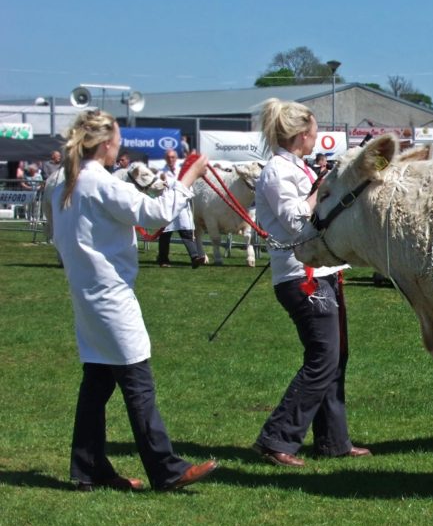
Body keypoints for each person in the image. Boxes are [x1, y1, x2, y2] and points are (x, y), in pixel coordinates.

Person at [51, 109, 217, 492]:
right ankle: (166, 468)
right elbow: (157, 215)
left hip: (85, 290)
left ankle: (88, 467)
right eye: (118, 140)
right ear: (107, 144)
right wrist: (188, 177)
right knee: (136, 381)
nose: (120, 146)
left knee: (96, 383)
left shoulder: (61, 181)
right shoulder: (100, 183)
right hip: (110, 294)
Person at [252, 98, 371, 467]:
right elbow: (294, 220)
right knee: (322, 358)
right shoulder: (276, 171)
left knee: (335, 359)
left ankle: (333, 440)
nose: (316, 141)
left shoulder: (295, 167)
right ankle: (278, 437)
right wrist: (321, 190)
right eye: (314, 135)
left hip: (322, 272)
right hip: (300, 275)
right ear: (302, 135)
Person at [156, 148, 204, 268]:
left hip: (181, 206)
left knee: (186, 232)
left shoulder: (181, 171)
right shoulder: (161, 172)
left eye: (172, 157)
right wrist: (162, 182)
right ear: (165, 159)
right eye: (168, 157)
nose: (170, 159)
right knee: (165, 234)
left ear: (176, 158)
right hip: (167, 205)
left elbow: (189, 184)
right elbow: (156, 187)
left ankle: (194, 257)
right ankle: (163, 259)